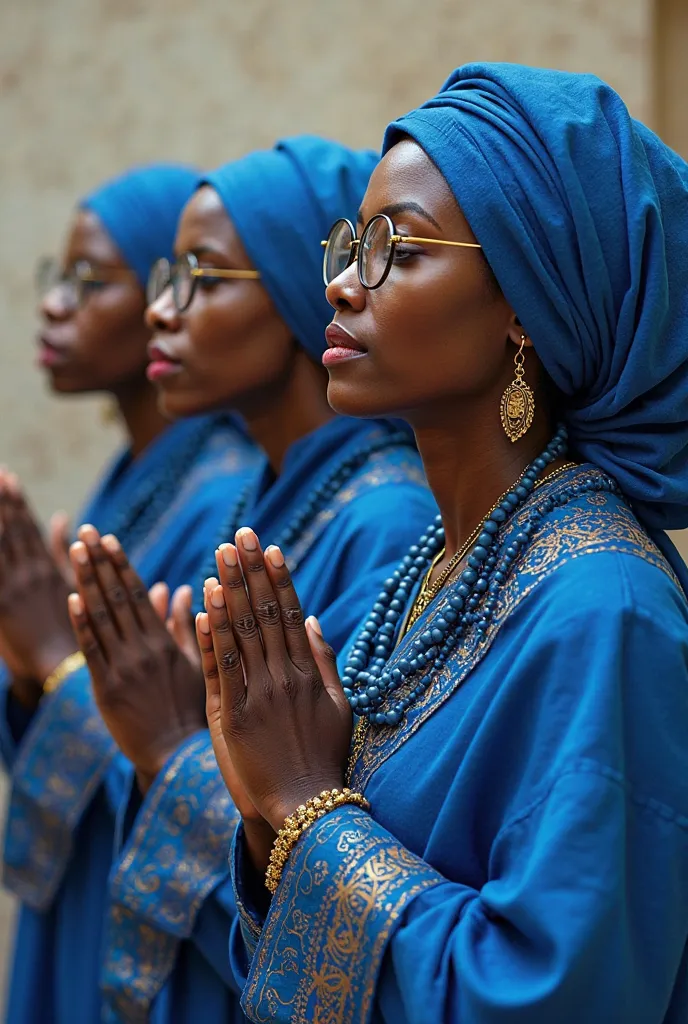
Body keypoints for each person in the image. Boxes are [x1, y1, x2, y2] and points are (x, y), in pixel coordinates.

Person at [196, 64, 688, 1023]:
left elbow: (554, 999)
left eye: (399, 250)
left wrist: (305, 806)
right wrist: (269, 817)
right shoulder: (441, 561)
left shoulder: (603, 610)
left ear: (525, 307)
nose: (341, 280)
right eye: (350, 243)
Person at [65, 137, 437, 1023]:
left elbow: (323, 812)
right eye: (165, 276)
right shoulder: (261, 498)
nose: (165, 310)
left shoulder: (381, 519)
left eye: (207, 276)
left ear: (293, 287)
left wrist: (162, 740)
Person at [0, 165, 259, 1024]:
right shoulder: (140, 477)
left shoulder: (227, 500)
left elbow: (167, 734)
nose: (53, 305)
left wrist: (52, 660)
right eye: (57, 279)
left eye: (89, 280)